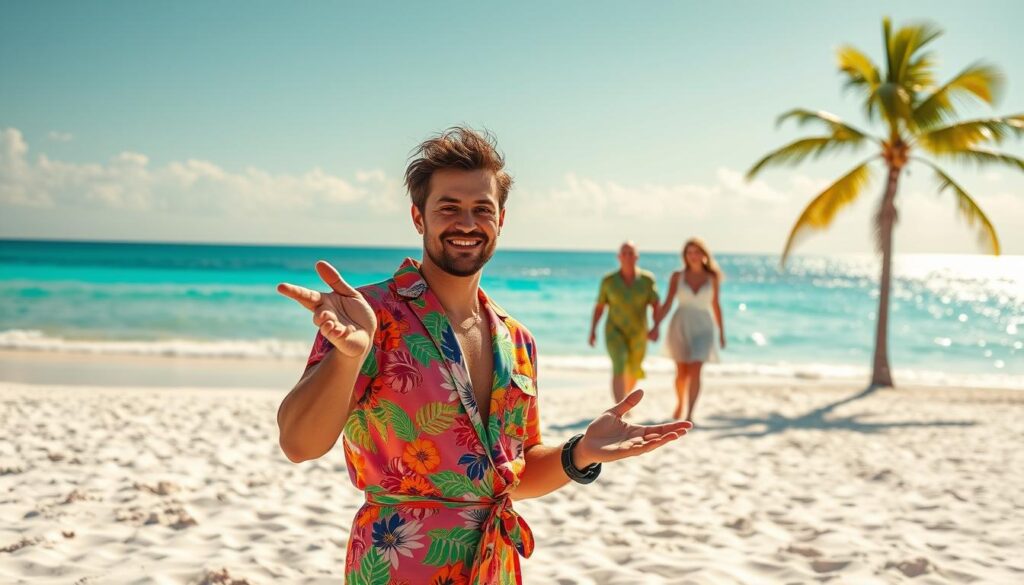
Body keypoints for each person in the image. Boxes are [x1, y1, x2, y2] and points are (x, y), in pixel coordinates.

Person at [275, 127, 692, 584]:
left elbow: (514, 473)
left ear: (501, 220)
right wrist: (348, 358)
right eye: (448, 208)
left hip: (495, 565)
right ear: (419, 217)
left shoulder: (518, 340)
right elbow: (299, 445)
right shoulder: (370, 317)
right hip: (399, 564)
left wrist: (581, 452)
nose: (467, 223)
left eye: (481, 209)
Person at [650, 238, 726, 422]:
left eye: (697, 252)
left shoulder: (712, 277)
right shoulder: (677, 276)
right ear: (685, 256)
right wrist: (655, 326)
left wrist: (722, 332)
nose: (693, 256)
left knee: (696, 368)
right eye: (689, 252)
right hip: (680, 325)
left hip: (704, 326)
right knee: (681, 372)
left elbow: (716, 304)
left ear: (704, 255)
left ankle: (690, 413)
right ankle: (680, 402)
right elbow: (668, 303)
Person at [588, 242, 660, 404]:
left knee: (635, 368)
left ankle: (625, 400)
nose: (627, 256)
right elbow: (600, 306)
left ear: (637, 257)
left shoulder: (647, 280)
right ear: (619, 257)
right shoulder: (608, 281)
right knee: (619, 362)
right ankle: (619, 408)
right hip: (614, 330)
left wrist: (656, 327)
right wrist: (592, 330)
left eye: (631, 253)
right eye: (624, 253)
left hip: (639, 332)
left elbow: (656, 305)